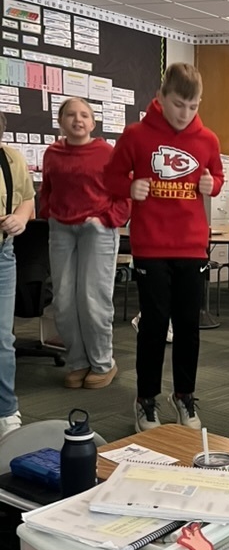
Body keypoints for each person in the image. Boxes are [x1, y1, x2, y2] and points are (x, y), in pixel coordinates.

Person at [104, 63, 223, 433]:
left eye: (192, 106)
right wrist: (129, 188)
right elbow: (110, 176)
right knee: (155, 325)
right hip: (151, 246)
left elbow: (216, 176)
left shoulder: (208, 140)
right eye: (177, 104)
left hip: (191, 246)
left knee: (189, 326)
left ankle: (184, 395)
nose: (185, 114)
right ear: (160, 97)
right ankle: (146, 399)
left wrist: (211, 185)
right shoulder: (137, 135)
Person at [38, 97, 129, 389]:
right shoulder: (52, 153)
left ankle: (103, 363)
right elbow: (47, 191)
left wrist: (106, 220)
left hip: (97, 230)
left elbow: (125, 193)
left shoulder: (106, 152)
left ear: (92, 122)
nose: (78, 120)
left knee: (93, 300)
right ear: (61, 121)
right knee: (63, 300)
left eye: (84, 115)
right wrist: (49, 215)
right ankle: (78, 361)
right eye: (71, 115)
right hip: (61, 230)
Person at [0, 112, 35, 436]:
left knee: (2, 338)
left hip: (3, 254)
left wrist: (20, 219)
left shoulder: (11, 159)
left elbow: (26, 199)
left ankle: (7, 412)